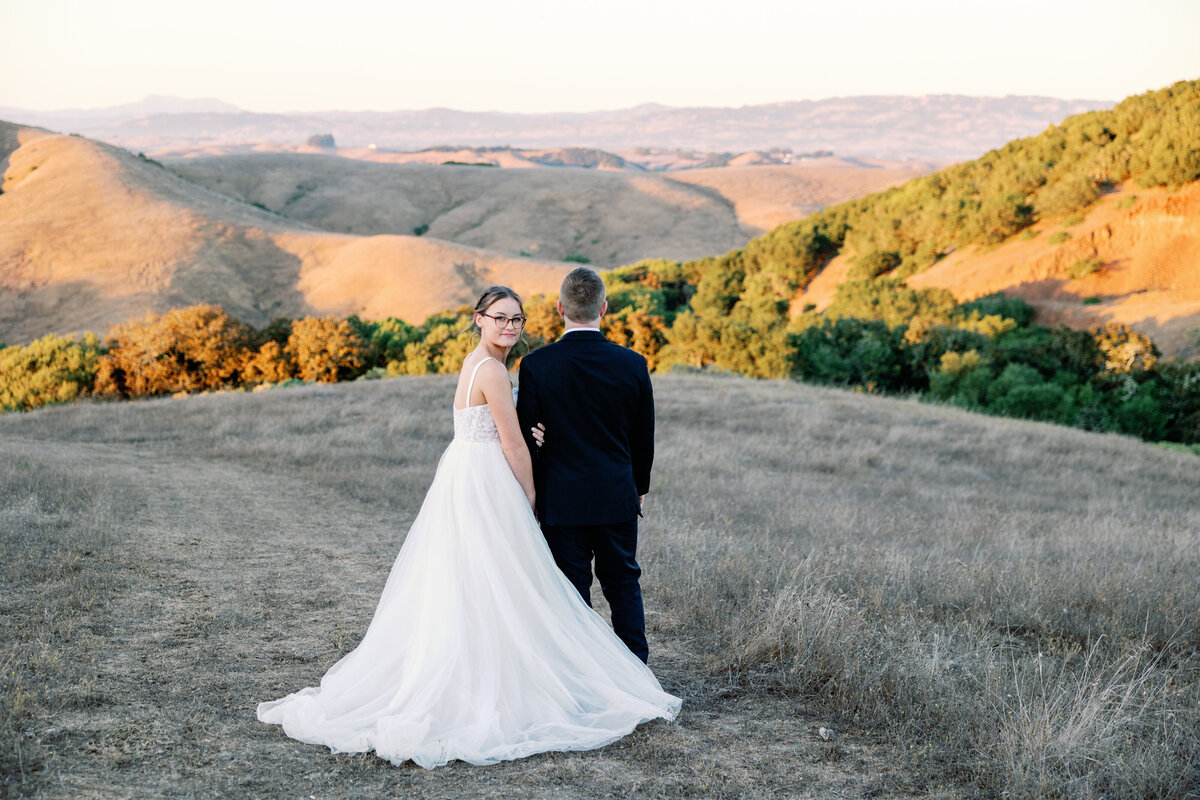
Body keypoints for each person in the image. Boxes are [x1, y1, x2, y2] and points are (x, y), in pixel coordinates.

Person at [256, 286, 680, 770]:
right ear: (478, 319)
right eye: (501, 318)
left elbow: (521, 428)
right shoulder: (507, 368)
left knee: (499, 583)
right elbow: (518, 444)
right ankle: (601, 674)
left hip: (472, 477)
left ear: (555, 311)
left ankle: (561, 672)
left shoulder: (503, 364)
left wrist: (535, 437)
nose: (510, 327)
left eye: (517, 319)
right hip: (503, 483)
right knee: (547, 583)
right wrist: (535, 497)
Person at [516, 267, 654, 663]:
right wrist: (638, 488)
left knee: (571, 592)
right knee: (624, 583)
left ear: (560, 308)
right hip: (617, 493)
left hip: (561, 498)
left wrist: (539, 489)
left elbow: (529, 439)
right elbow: (644, 436)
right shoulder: (632, 364)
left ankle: (581, 674)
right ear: (604, 308)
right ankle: (637, 671)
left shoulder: (537, 366)